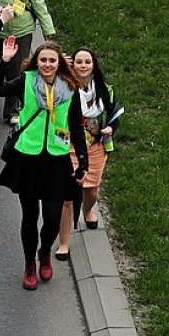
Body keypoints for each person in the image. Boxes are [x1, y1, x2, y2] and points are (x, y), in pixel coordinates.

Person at [0, 38, 88, 290]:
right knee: (30, 217)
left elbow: (76, 126)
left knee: (52, 219)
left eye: (52, 60)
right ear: (37, 62)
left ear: (59, 63)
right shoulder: (26, 81)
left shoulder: (70, 88)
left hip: (56, 159)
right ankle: (30, 262)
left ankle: (45, 252)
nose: (47, 65)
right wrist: (4, 62)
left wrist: (82, 162)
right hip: (27, 158)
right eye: (43, 60)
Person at [57, 48, 122, 258]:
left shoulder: (105, 90)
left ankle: (87, 211)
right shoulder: (64, 88)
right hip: (70, 146)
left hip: (95, 146)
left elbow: (114, 115)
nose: (83, 66)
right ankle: (64, 243)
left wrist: (111, 129)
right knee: (67, 197)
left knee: (91, 190)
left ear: (93, 65)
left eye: (87, 62)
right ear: (73, 64)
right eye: (79, 62)